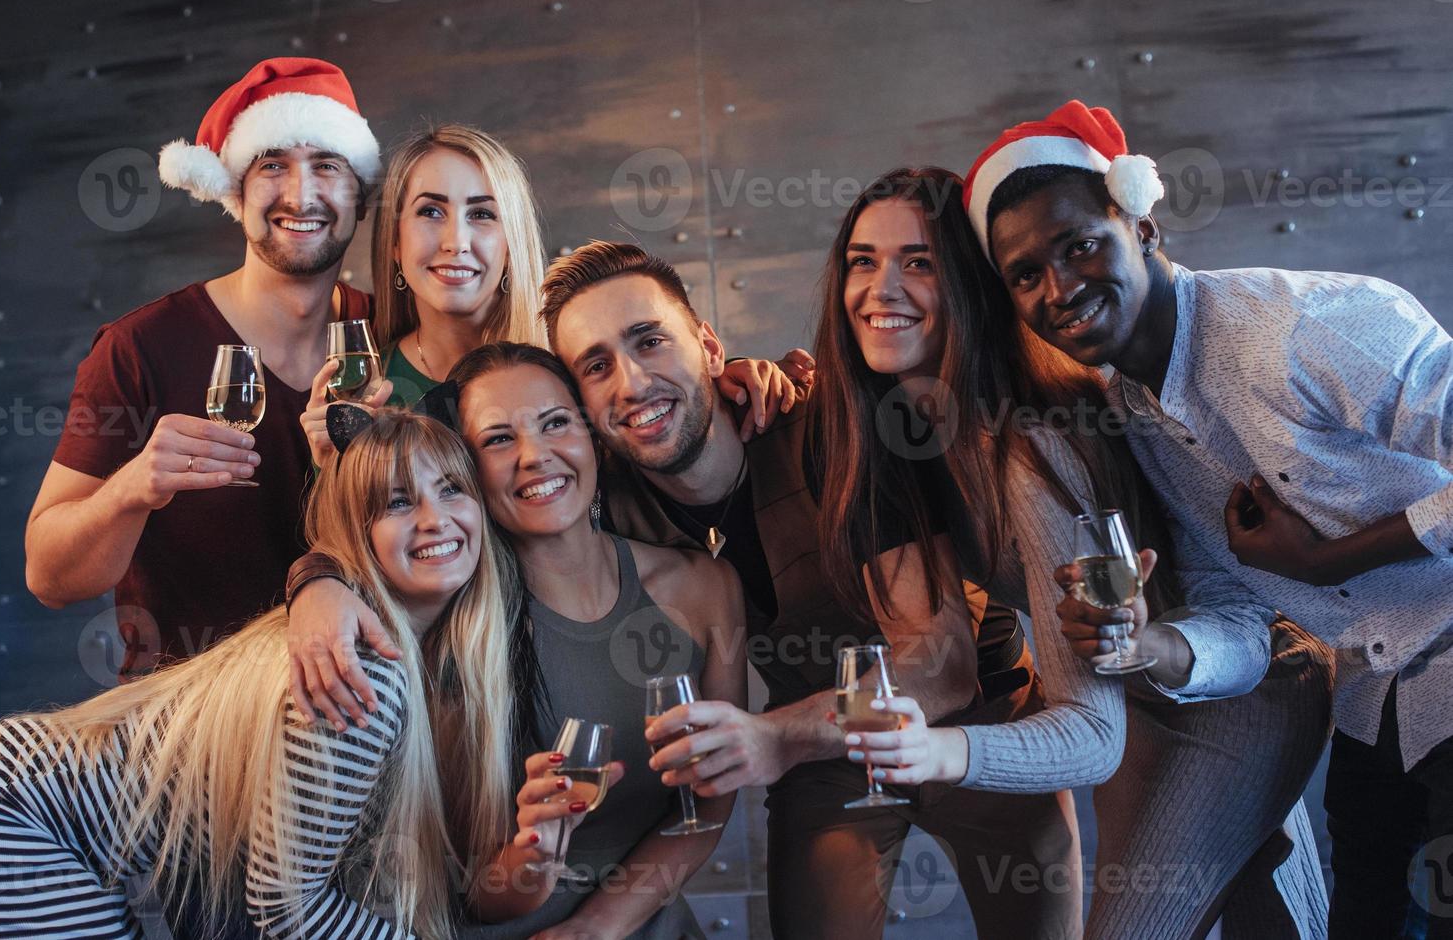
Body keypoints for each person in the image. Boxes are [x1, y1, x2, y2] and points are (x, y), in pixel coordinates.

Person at [966, 99, 1453, 938]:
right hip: (1373, 709)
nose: (1060, 288)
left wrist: (1330, 561)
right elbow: (1238, 616)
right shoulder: (1134, 424)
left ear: (1142, 227)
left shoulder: (1300, 329)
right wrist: (1147, 645)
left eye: (1080, 244)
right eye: (1025, 274)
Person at [828, 166, 1333, 938]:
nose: (881, 287)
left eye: (918, 261)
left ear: (968, 282)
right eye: (863, 260)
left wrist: (934, 752)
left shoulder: (1031, 446)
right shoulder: (911, 440)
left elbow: (1089, 735)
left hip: (1236, 693)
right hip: (1135, 705)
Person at [539, 242, 1081, 938]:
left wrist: (775, 736)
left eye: (650, 341)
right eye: (596, 365)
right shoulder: (601, 505)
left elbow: (940, 668)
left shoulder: (834, 430)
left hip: (982, 725)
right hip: (825, 752)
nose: (632, 380)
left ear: (708, 346)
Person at [0, 409, 567, 939]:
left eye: (451, 490)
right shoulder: (361, 671)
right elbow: (288, 907)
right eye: (396, 503)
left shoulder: (406, 658)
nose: (434, 519)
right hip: (11, 809)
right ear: (358, 534)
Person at [24, 57, 377, 674]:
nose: (301, 194)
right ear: (236, 192)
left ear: (360, 193)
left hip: (365, 721)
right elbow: (49, 577)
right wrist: (135, 488)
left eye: (327, 165)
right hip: (185, 732)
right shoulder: (140, 347)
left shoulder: (394, 336)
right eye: (272, 165)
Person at [449, 342, 747, 938]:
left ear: (592, 437)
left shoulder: (705, 587)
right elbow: (474, 895)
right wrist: (534, 854)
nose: (535, 456)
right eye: (498, 439)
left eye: (556, 423)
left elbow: (708, 804)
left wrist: (600, 926)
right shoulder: (454, 631)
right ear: (467, 471)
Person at [299, 124, 547, 472]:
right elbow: (335, 527)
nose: (456, 242)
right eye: (430, 211)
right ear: (395, 244)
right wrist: (335, 474)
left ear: (511, 246)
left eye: (481, 214)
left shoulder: (563, 370)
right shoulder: (362, 395)